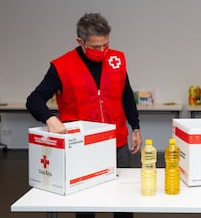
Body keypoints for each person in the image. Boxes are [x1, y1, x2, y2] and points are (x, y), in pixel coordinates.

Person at [26, 13, 142, 218]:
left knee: (123, 201)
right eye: (96, 47)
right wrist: (50, 118)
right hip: (82, 147)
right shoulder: (62, 66)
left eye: (106, 44)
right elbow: (34, 99)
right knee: (86, 203)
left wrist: (136, 127)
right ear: (80, 41)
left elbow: (126, 95)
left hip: (117, 142)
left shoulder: (117, 59)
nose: (103, 51)